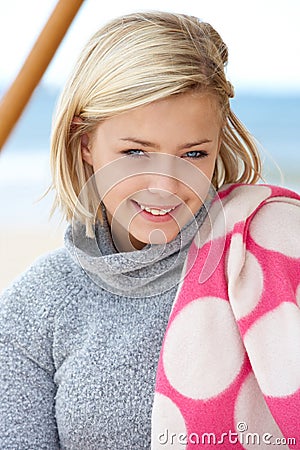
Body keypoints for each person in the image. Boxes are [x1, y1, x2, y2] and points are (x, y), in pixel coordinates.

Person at [0, 10, 299, 450]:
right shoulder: (36, 307)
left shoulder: (273, 248)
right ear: (85, 142)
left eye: (194, 153)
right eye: (137, 152)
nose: (166, 185)